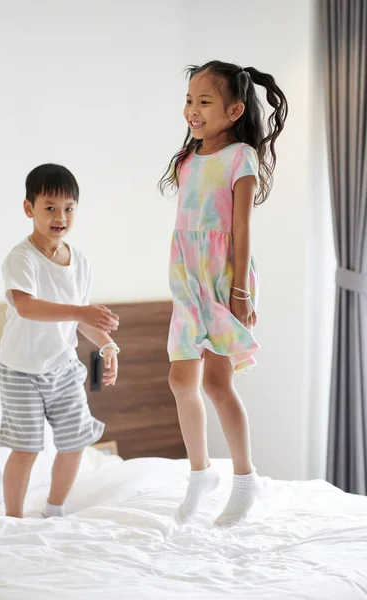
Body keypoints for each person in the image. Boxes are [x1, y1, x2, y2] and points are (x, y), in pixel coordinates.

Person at [159, 60, 288, 527]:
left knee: (216, 381)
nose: (192, 110)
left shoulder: (241, 157)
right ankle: (200, 474)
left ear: (234, 110)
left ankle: (244, 478)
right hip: (187, 276)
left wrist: (240, 291)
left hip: (222, 276)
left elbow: (241, 226)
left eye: (204, 101)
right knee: (180, 380)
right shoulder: (188, 158)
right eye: (189, 100)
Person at [0, 163, 120, 518]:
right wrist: (81, 313)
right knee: (26, 448)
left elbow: (81, 319)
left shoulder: (80, 262)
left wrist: (108, 345)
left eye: (68, 208)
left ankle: (54, 511)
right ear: (29, 209)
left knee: (76, 442)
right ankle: (13, 519)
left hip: (64, 368)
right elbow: (26, 307)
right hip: (20, 370)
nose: (60, 216)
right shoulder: (21, 258)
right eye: (50, 207)